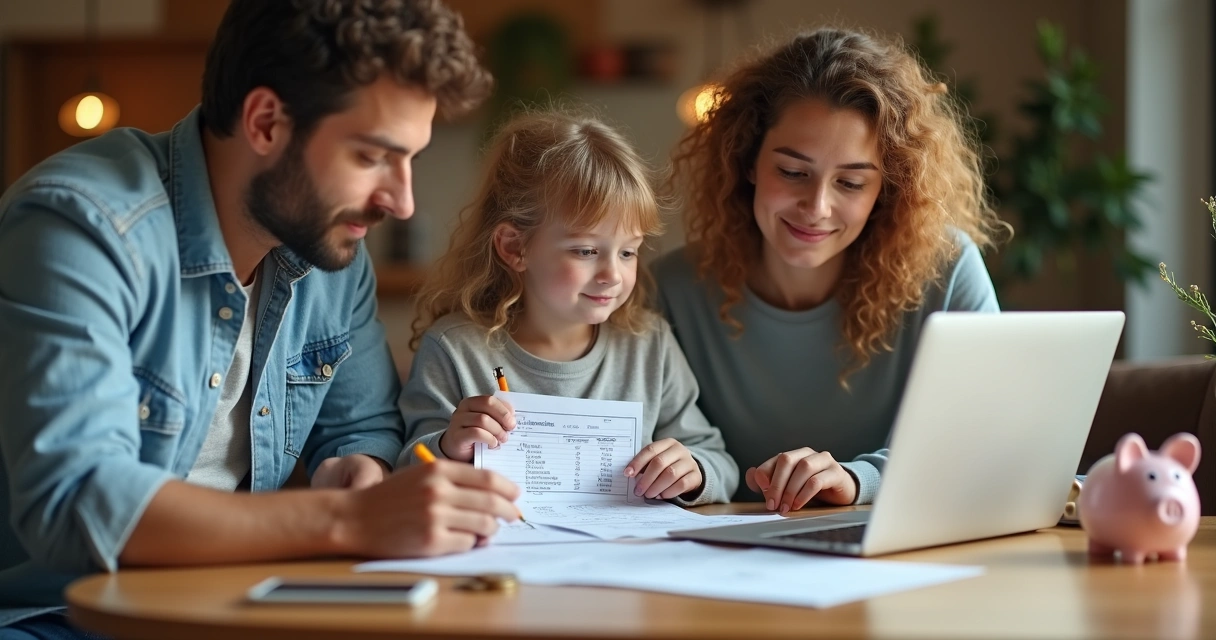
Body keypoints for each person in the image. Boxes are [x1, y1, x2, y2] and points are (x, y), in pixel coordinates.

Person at [0, 0, 522, 635]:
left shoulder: (330, 253)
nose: (403, 201)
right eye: (370, 157)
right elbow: (77, 500)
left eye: (410, 159)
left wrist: (356, 468)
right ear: (267, 122)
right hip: (56, 617)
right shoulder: (80, 226)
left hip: (242, 604)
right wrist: (349, 520)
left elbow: (362, 426)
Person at [653, 27, 1006, 514]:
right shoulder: (669, 288)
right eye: (793, 172)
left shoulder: (947, 269)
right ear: (749, 160)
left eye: (851, 182)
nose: (816, 206)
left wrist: (859, 480)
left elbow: (984, 436)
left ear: (886, 187)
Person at [398, 110, 738, 506]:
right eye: (587, 251)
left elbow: (719, 463)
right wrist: (448, 445)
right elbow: (408, 470)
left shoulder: (649, 345)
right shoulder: (456, 349)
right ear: (514, 247)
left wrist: (693, 471)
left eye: (628, 251)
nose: (613, 274)